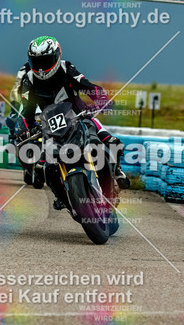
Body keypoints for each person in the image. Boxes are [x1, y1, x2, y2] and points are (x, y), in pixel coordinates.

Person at [14, 36, 130, 210]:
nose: (41, 68)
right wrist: (24, 128)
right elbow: (26, 109)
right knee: (43, 167)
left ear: (57, 56)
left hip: (79, 117)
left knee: (106, 143)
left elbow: (87, 86)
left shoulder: (66, 68)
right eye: (37, 62)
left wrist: (101, 99)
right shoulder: (29, 79)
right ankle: (62, 195)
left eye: (46, 61)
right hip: (51, 128)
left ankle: (115, 175)